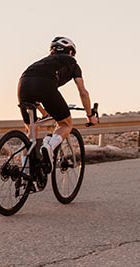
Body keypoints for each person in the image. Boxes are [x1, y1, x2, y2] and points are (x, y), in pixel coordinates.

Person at [17, 36, 98, 172]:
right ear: (71, 52)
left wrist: (44, 113)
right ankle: (49, 146)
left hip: (23, 83)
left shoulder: (41, 63)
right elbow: (83, 92)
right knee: (65, 124)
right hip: (45, 85)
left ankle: (25, 172)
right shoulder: (72, 64)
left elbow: (35, 92)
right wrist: (90, 115)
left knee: (31, 130)